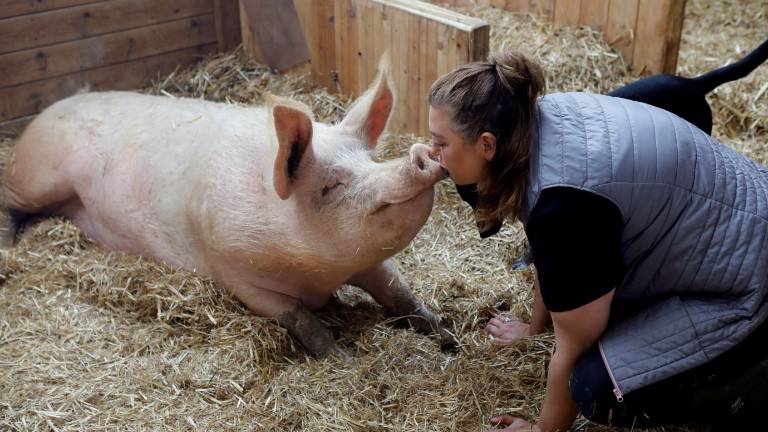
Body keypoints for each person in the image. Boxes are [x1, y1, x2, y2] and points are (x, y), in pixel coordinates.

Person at [427, 51, 768, 431]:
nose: (433, 155)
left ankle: (747, 384)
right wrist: (535, 327)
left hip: (750, 284)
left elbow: (574, 344)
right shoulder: (536, 121)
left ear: (487, 146)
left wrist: (541, 429)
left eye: (440, 143)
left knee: (595, 387)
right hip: (744, 214)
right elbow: (550, 252)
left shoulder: (564, 206)